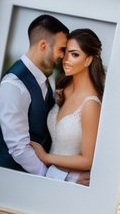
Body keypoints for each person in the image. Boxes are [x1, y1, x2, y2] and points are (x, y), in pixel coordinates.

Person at [0, 13, 70, 176]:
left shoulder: (45, 81)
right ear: (43, 45)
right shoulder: (14, 84)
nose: (62, 56)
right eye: (61, 49)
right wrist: (53, 178)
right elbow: (18, 148)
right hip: (9, 177)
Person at [30, 28, 104, 185]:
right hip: (46, 176)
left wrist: (46, 157)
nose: (66, 59)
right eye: (66, 52)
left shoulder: (90, 104)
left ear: (89, 60)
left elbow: (87, 160)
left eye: (75, 54)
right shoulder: (62, 89)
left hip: (69, 183)